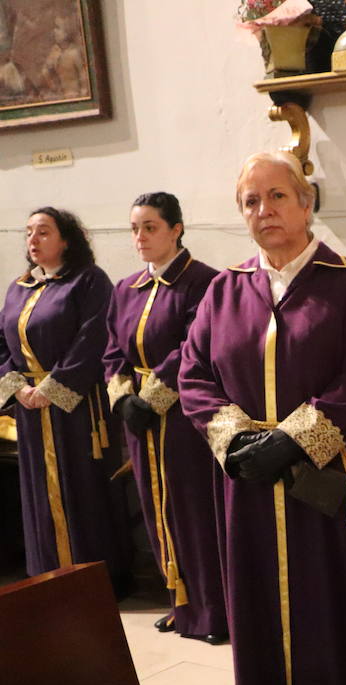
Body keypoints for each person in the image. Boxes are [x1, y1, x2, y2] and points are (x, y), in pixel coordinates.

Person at [179, 151, 346, 685]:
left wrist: (297, 438)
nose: (264, 211)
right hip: (250, 488)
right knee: (260, 615)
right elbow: (193, 375)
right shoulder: (224, 290)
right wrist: (236, 439)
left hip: (329, 488)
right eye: (251, 201)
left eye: (277, 197)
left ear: (307, 204)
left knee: (332, 610)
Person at [105, 192, 228, 643]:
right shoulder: (126, 288)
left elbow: (195, 345)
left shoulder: (205, 282)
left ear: (176, 229)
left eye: (150, 227)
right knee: (156, 512)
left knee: (192, 511)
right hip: (138, 419)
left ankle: (214, 612)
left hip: (183, 416)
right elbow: (112, 349)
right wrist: (122, 398)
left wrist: (151, 397)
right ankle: (180, 603)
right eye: (135, 228)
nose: (140, 237)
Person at [0, 207, 132, 587]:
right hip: (29, 409)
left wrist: (53, 388)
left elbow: (94, 338)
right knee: (38, 494)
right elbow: (2, 343)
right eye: (29, 233)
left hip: (76, 410)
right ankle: (49, 579)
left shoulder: (88, 281)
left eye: (43, 231)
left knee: (84, 492)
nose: (33, 240)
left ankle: (99, 580)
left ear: (67, 239)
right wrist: (17, 387)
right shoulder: (19, 287)